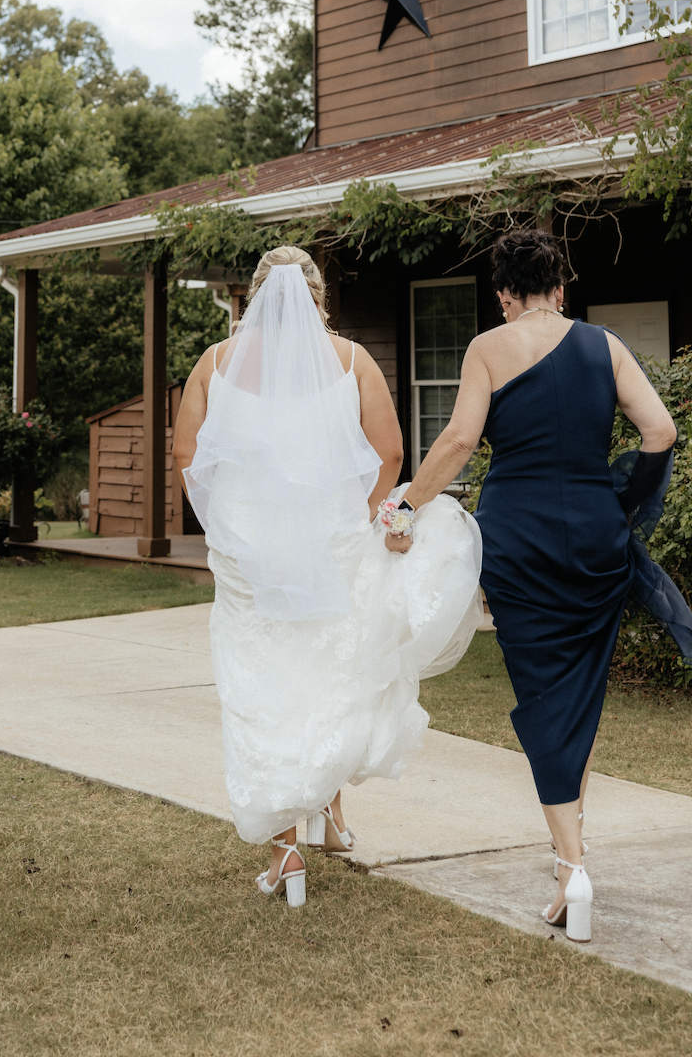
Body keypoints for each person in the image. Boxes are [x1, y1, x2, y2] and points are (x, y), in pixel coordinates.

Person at [386, 229, 692, 944]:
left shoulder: (487, 348)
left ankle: (572, 869)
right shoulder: (607, 346)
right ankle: (571, 852)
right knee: (577, 697)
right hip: (595, 540)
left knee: (542, 696)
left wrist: (406, 505)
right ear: (561, 288)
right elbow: (660, 430)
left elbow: (461, 441)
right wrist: (620, 498)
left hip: (519, 542)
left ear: (503, 295)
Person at [173, 245, 482, 908]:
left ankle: (289, 851)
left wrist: (232, 518)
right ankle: (332, 821)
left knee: (265, 687)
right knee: (330, 675)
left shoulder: (215, 363)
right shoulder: (351, 360)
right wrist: (366, 516)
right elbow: (391, 450)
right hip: (331, 543)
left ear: (252, 296)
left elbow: (186, 454)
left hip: (248, 554)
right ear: (319, 296)